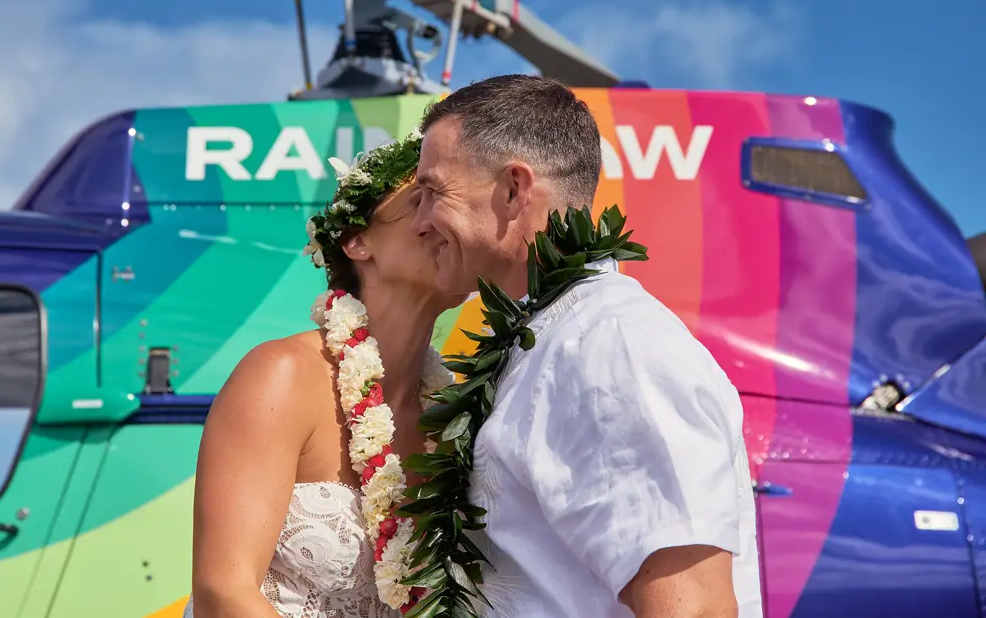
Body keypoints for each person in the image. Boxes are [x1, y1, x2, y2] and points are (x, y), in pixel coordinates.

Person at [411, 74, 763, 618]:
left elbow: (693, 608)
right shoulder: (551, 338)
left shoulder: (609, 344)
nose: (419, 222)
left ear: (514, 190)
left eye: (433, 192)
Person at [183, 132, 462, 618]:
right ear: (358, 241)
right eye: (419, 199)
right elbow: (222, 593)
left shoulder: (453, 410)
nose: (442, 218)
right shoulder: (281, 375)